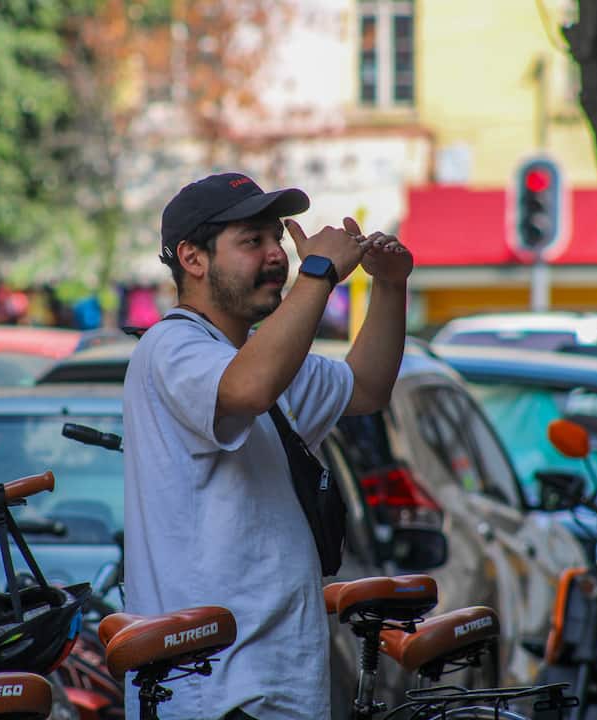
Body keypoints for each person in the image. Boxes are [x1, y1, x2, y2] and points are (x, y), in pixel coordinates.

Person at [122, 172, 413, 720]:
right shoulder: (171, 346)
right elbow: (247, 388)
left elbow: (367, 387)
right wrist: (319, 272)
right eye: (251, 241)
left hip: (275, 680)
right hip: (212, 691)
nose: (276, 254)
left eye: (276, 238)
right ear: (192, 258)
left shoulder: (264, 356)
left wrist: (390, 285)